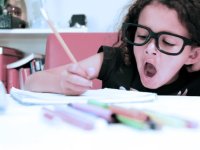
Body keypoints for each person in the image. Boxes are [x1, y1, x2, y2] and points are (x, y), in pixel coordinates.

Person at [25, 0, 200, 96]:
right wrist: (62, 83)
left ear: (193, 55)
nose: (149, 48)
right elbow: (31, 82)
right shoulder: (116, 61)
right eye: (142, 36)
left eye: (167, 42)